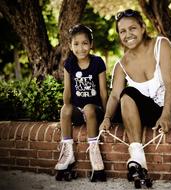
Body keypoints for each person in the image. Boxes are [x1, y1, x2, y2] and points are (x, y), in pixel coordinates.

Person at [99, 9, 171, 189]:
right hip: (150, 114)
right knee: (127, 96)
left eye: (132, 28)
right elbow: (114, 96)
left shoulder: (161, 44)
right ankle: (137, 159)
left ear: (143, 28)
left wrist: (166, 114)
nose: (128, 35)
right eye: (123, 31)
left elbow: (170, 83)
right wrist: (106, 118)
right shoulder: (121, 65)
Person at [55, 24, 108, 182]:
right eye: (76, 44)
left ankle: (95, 153)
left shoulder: (98, 62)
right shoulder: (69, 64)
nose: (80, 48)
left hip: (95, 110)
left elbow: (104, 92)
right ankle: (68, 153)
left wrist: (107, 117)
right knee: (65, 109)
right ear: (71, 46)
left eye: (85, 43)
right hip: (79, 110)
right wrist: (65, 116)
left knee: (88, 108)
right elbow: (67, 91)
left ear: (91, 44)